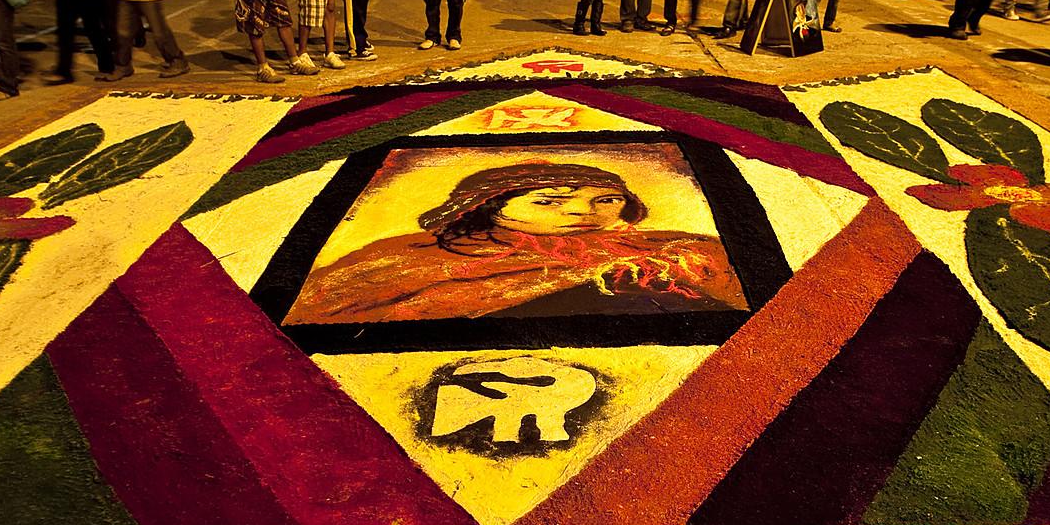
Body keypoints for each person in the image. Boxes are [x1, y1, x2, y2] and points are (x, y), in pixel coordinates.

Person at [288, 162, 748, 324]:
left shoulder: (668, 246)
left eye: (607, 200)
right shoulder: (407, 260)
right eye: (549, 201)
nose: (582, 213)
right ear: (490, 207)